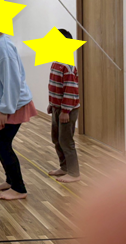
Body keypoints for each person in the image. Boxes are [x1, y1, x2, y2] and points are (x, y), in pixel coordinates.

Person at [0, 30, 37, 200]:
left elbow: (12, 80)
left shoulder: (3, 47)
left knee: (1, 141)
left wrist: (5, 109)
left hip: (14, 103)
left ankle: (19, 188)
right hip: (5, 101)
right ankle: (10, 181)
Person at [47, 28, 81, 183]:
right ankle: (64, 167)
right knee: (56, 139)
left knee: (66, 140)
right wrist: (51, 104)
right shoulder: (56, 63)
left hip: (67, 110)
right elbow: (54, 87)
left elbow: (70, 90)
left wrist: (65, 111)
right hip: (57, 108)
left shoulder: (68, 66)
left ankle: (74, 173)